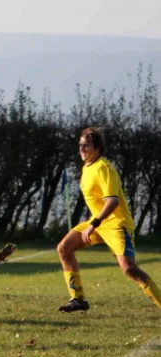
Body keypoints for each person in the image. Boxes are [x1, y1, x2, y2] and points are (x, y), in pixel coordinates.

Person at [56, 127, 161, 312]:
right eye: (80, 145)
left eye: (86, 145)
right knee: (64, 248)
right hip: (98, 223)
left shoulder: (104, 168)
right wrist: (93, 224)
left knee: (129, 269)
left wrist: (93, 224)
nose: (81, 149)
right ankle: (78, 299)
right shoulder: (87, 166)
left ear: (97, 147)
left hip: (116, 225)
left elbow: (112, 201)